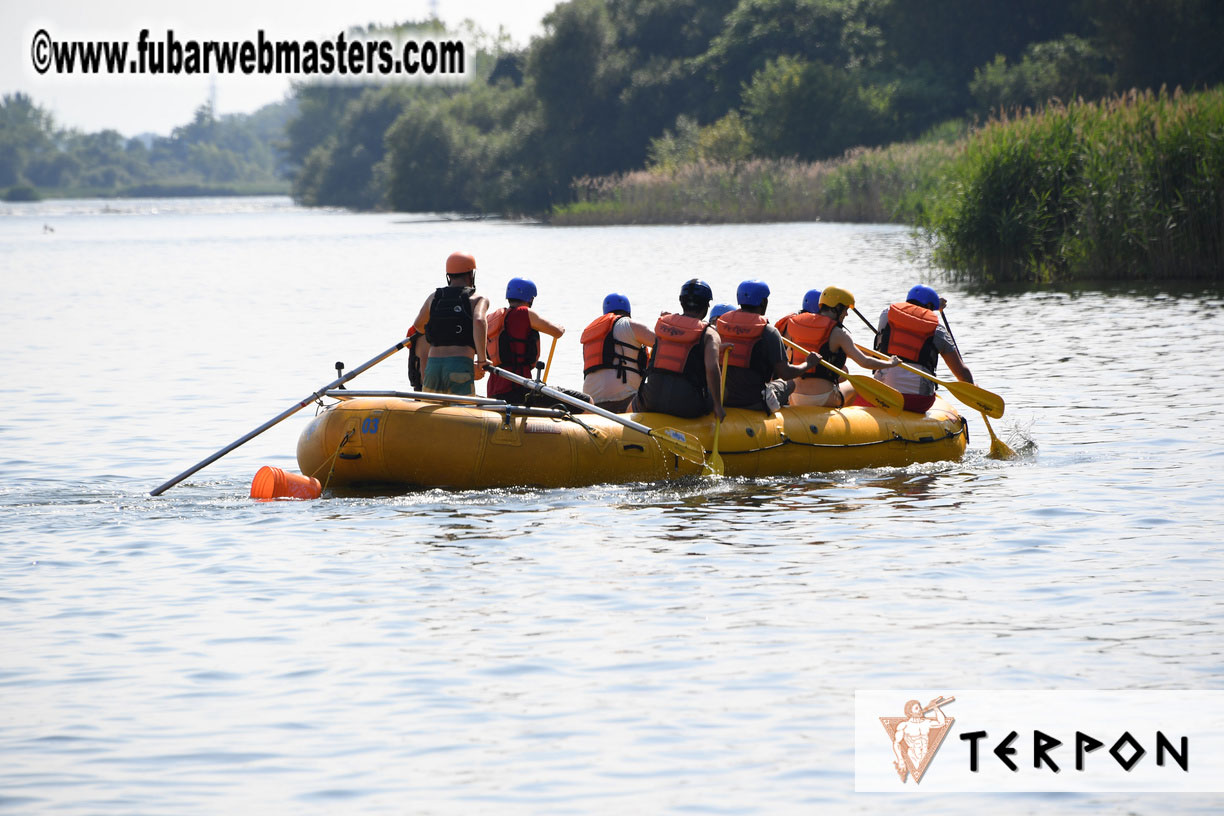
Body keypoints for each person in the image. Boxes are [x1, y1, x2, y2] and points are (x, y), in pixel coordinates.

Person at [716, 279, 822, 413]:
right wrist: (808, 364)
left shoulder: (720, 325)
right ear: (763, 302)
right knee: (790, 384)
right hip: (753, 401)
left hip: (722, 398)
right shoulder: (768, 331)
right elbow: (786, 373)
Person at [785, 286, 900, 407]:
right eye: (845, 309)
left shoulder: (796, 325)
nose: (846, 314)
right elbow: (865, 362)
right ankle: (840, 413)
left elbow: (788, 354)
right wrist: (890, 363)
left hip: (794, 396)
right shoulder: (839, 333)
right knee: (854, 385)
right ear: (837, 308)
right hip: (823, 398)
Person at [869, 284, 973, 413]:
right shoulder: (939, 331)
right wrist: (973, 389)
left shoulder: (886, 315)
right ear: (929, 306)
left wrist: (934, 303)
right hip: (918, 401)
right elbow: (961, 372)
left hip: (883, 395)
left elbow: (910, 313)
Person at [634, 279, 725, 421]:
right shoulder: (709, 334)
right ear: (707, 305)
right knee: (721, 391)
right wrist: (718, 406)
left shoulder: (663, 323)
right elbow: (712, 368)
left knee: (636, 399)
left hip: (650, 400)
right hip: (686, 406)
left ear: (681, 301)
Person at [411, 251, 488, 395]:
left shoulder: (433, 298)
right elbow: (479, 321)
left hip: (433, 368)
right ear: (471, 275)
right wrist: (482, 360)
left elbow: (419, 325)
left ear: (448, 276)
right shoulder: (478, 299)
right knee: (463, 408)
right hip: (459, 366)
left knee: (432, 407)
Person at [485, 277, 565, 404]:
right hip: (518, 388)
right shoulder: (524, 313)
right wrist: (560, 327)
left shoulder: (493, 319)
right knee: (585, 400)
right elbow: (557, 332)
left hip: (494, 389)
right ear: (530, 299)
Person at [580, 293, 655, 413]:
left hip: (593, 404)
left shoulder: (590, 335)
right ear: (628, 311)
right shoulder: (629, 324)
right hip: (626, 400)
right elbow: (662, 344)